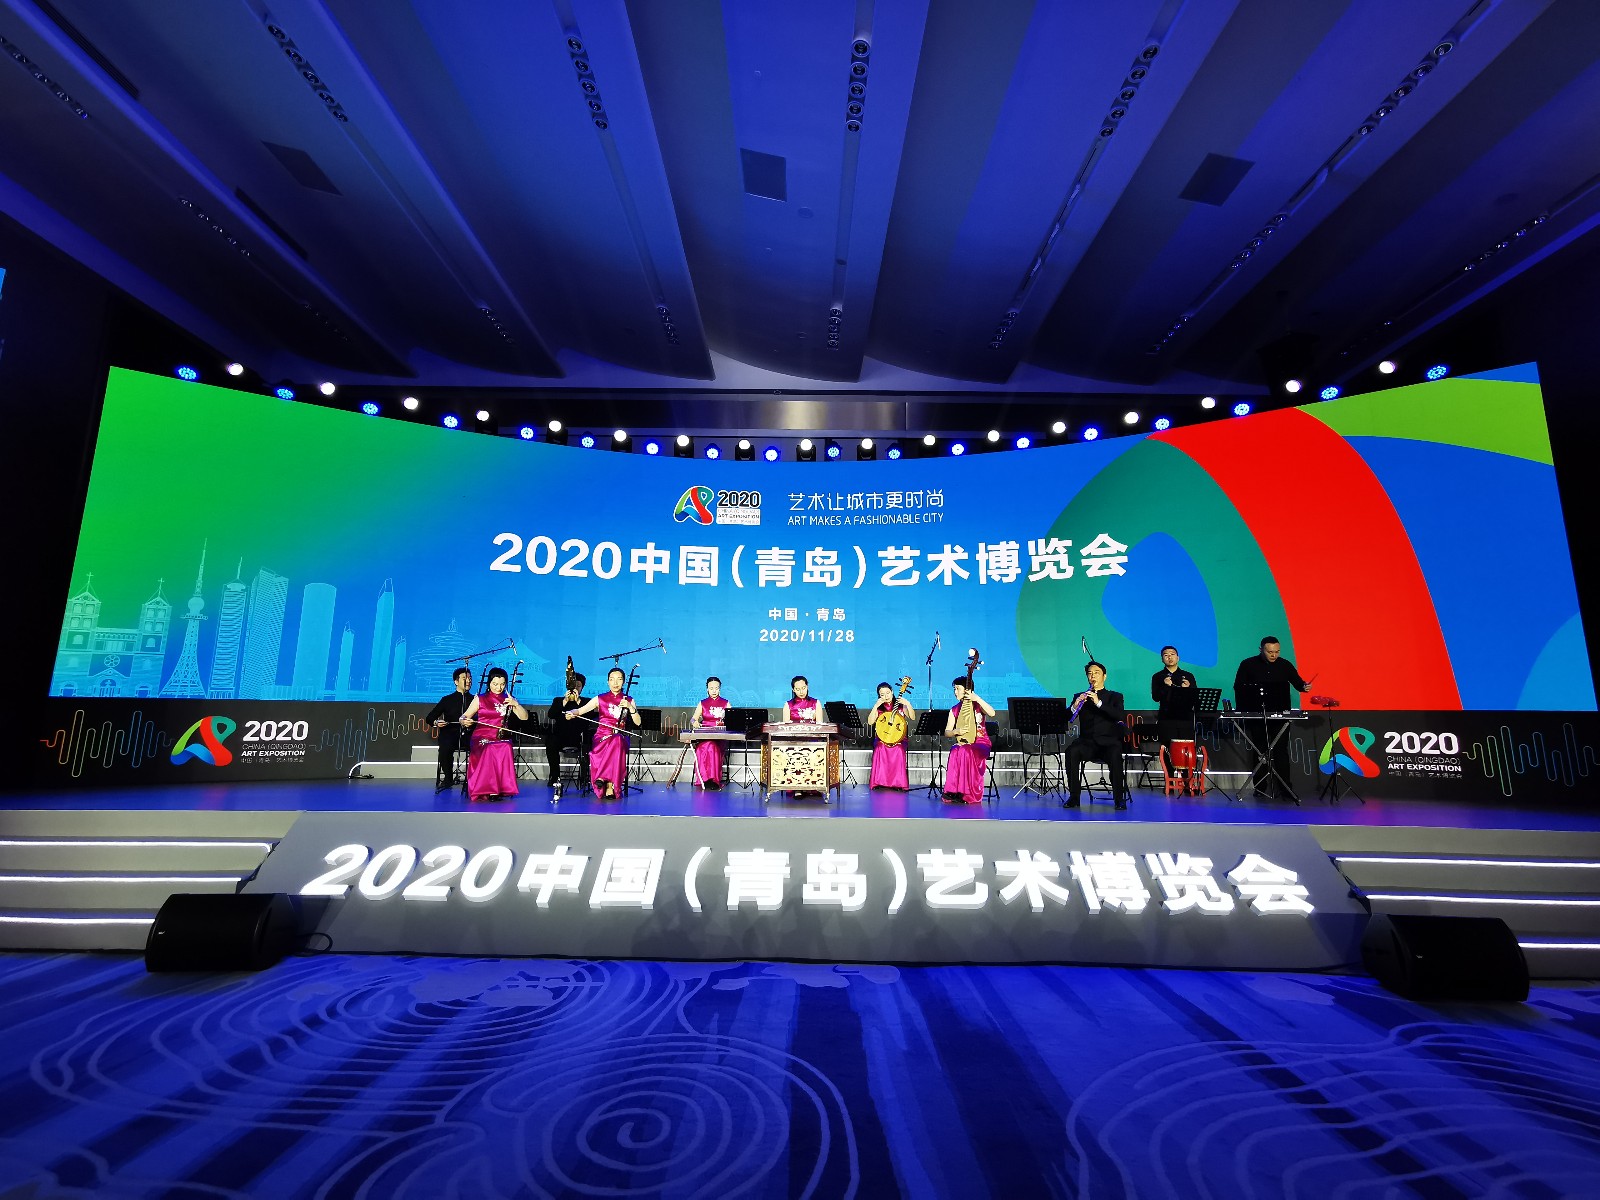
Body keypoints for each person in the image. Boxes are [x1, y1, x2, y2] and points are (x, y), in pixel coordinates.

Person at [1233, 636, 1309, 800]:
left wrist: (1304, 686)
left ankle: (1285, 789)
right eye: (1270, 652)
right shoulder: (1248, 664)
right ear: (1261, 650)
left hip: (1280, 716)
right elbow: (1238, 687)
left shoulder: (1285, 664)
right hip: (1257, 716)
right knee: (1259, 751)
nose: (1274, 655)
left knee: (1281, 751)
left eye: (1277, 652)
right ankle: (1260, 788)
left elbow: (1298, 683)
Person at [565, 666, 640, 800]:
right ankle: (609, 786)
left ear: (623, 682)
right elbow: (581, 710)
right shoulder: (600, 698)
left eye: (619, 679)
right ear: (607, 682)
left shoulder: (629, 700)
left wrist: (630, 707)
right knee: (614, 742)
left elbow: (638, 722)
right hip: (602, 736)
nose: (615, 682)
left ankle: (603, 778)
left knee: (617, 739)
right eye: (612, 679)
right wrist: (571, 712)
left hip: (620, 737)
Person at [459, 667, 529, 802]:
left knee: (506, 746)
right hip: (481, 736)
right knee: (489, 747)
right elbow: (464, 716)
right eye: (495, 684)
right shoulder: (480, 698)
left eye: (502, 684)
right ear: (489, 683)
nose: (499, 687)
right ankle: (489, 789)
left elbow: (524, 717)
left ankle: (501, 788)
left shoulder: (508, 699)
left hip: (500, 736)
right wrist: (464, 721)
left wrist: (516, 704)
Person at [1065, 661, 1127, 809]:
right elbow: (1066, 717)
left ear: (1104, 676)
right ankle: (1074, 797)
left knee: (1115, 754)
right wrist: (1075, 706)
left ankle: (1119, 799)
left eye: (1096, 673)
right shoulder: (1080, 696)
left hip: (1108, 743)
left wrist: (1099, 703)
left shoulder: (1114, 696)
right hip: (1087, 743)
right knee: (1071, 752)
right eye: (1090, 673)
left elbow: (1119, 715)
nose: (1092, 676)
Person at [942, 676, 995, 804]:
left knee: (965, 751)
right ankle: (953, 791)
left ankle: (967, 793)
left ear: (967, 690)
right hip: (965, 744)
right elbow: (947, 732)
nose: (955, 692)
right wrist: (956, 732)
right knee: (955, 750)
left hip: (981, 744)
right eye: (954, 689)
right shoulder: (954, 709)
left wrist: (977, 698)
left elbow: (992, 713)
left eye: (958, 689)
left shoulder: (977, 705)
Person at [424, 667, 474, 789]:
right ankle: (448, 778)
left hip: (469, 734)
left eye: (470, 678)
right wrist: (436, 722)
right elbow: (429, 718)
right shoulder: (447, 700)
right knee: (445, 747)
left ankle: (474, 779)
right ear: (456, 682)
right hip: (450, 734)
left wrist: (472, 723)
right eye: (465, 678)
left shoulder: (475, 700)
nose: (468, 681)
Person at [545, 672, 587, 799]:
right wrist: (564, 701)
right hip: (561, 737)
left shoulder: (586, 702)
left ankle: (584, 777)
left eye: (578, 686)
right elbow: (551, 715)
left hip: (579, 738)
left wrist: (578, 702)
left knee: (588, 741)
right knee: (550, 741)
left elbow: (591, 717)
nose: (575, 688)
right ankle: (554, 776)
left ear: (582, 688)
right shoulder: (558, 700)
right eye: (573, 686)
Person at [867, 681, 915, 790]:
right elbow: (870, 722)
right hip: (882, 738)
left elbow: (912, 717)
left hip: (899, 738)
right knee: (880, 747)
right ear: (879, 696)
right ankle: (879, 782)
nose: (886, 696)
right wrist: (875, 706)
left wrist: (908, 704)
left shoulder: (900, 705)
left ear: (892, 692)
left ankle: (898, 783)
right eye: (882, 694)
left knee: (898, 749)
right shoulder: (880, 708)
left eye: (888, 693)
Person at [1151, 645, 1199, 748]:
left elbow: (1195, 699)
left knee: (1186, 749)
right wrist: (1165, 686)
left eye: (1172, 654)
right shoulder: (1157, 676)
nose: (1169, 657)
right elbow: (1155, 697)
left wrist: (1187, 689)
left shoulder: (1188, 676)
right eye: (1166, 655)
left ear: (1178, 658)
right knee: (1168, 748)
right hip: (1166, 718)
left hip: (1185, 718)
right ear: (1162, 659)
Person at [689, 676, 730, 789]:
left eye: (716, 688)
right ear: (707, 689)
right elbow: (693, 719)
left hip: (719, 736)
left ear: (719, 688)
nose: (714, 691)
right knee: (703, 747)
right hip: (705, 734)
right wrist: (695, 722)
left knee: (712, 746)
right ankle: (704, 779)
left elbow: (732, 720)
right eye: (711, 688)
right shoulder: (702, 703)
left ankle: (713, 780)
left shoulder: (725, 703)